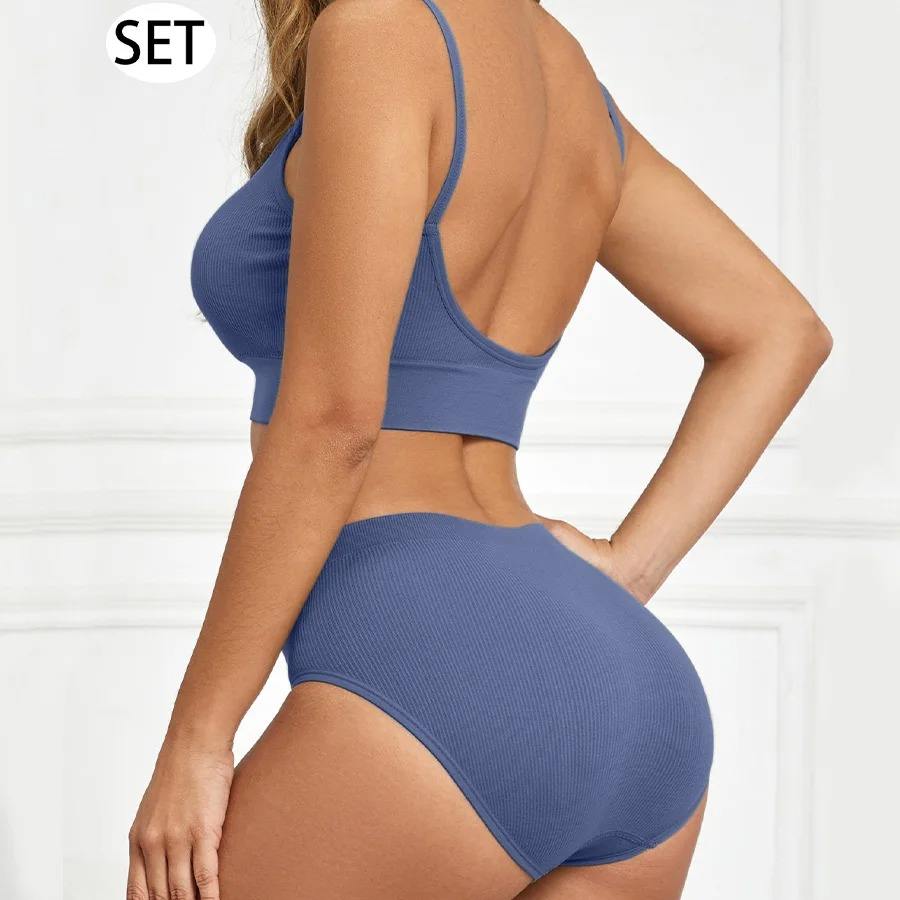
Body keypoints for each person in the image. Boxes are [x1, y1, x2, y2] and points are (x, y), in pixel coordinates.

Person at [126, 1, 832, 898]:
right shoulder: (563, 71)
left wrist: (197, 738)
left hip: (435, 671)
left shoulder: (380, 28)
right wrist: (626, 569)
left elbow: (333, 422)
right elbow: (779, 330)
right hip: (636, 698)